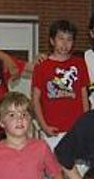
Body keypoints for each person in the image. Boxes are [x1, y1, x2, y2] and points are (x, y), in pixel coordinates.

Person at [32, 20, 90, 149]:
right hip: (52, 131)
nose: (65, 43)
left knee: (78, 168)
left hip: (76, 130)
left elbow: (84, 95)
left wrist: (85, 125)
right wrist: (43, 126)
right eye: (61, 39)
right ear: (52, 41)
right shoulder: (41, 66)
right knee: (52, 168)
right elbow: (35, 99)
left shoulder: (79, 63)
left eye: (69, 39)